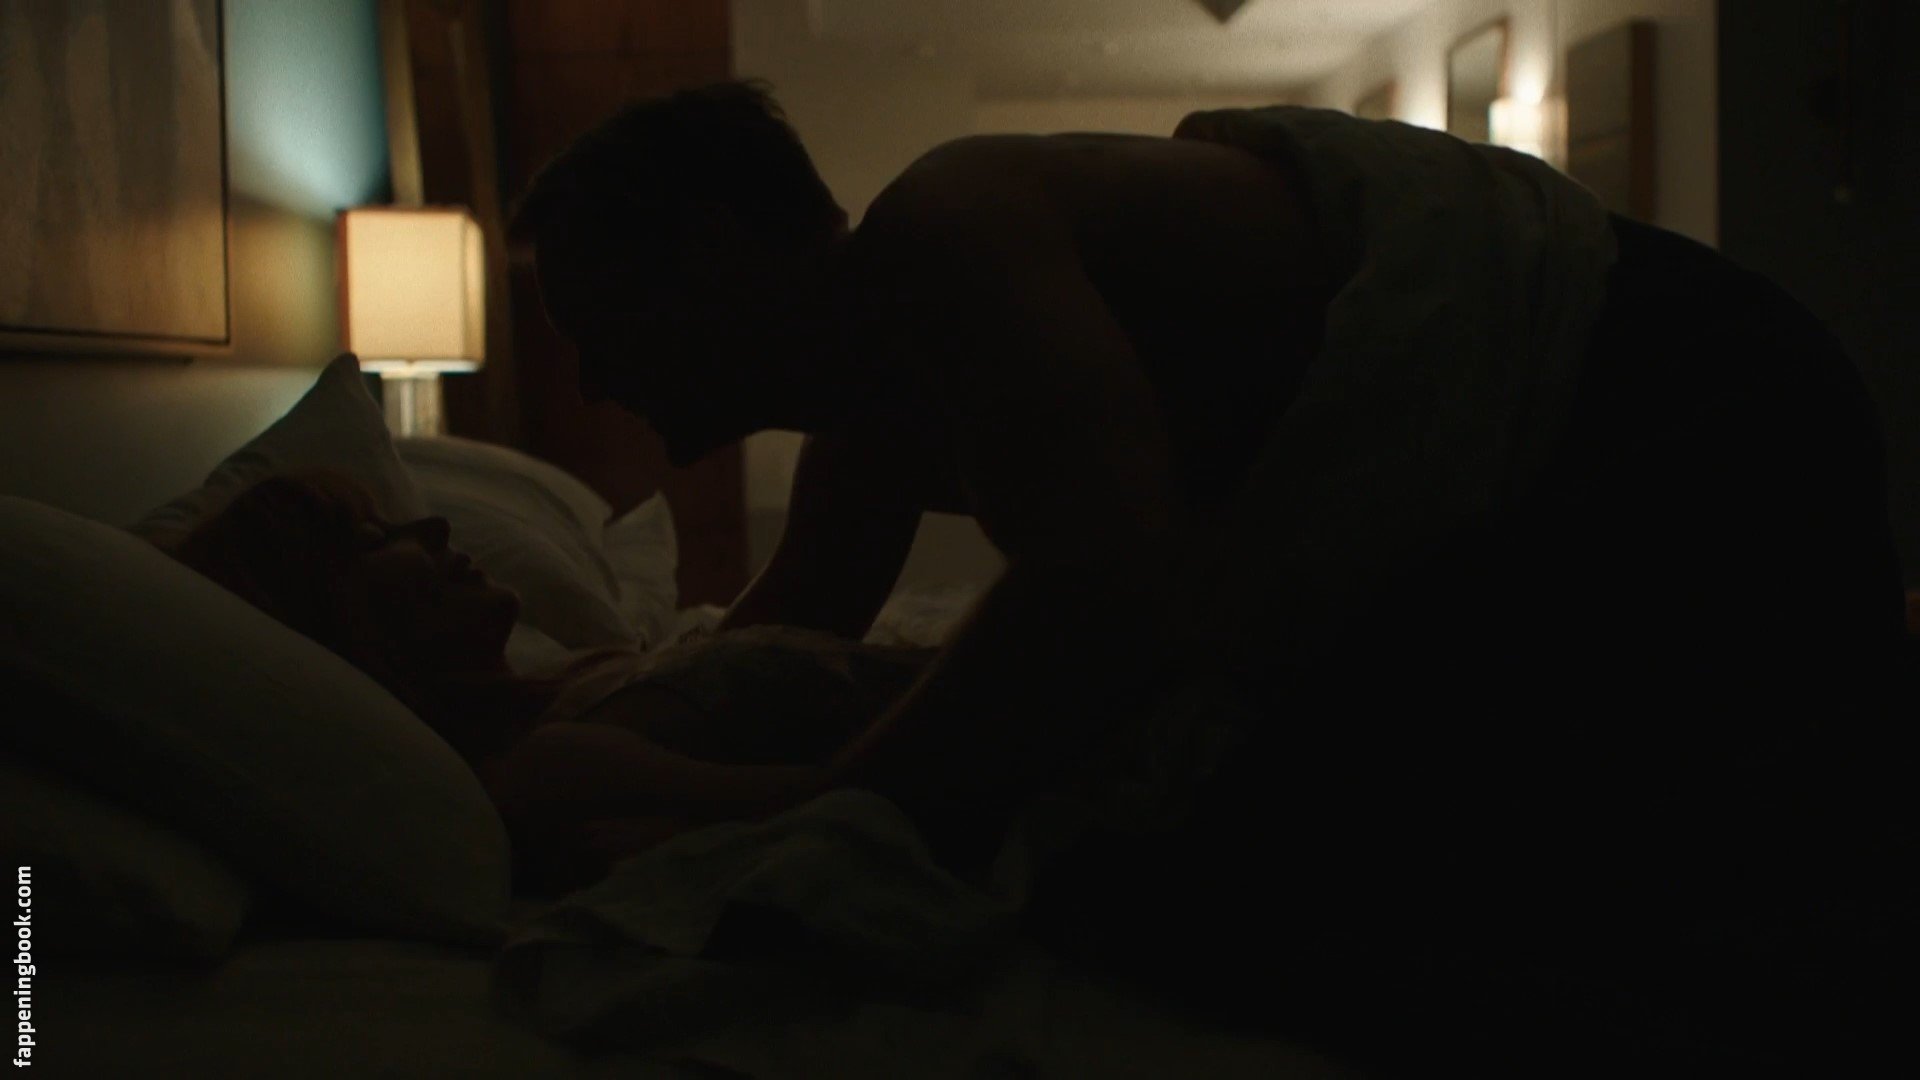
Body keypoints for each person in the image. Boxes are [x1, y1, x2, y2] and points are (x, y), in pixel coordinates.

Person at [509, 81, 1910, 1069]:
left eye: (595, 324)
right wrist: (557, 712)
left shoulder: (951, 229)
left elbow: (1105, 596)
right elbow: (778, 649)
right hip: (1568, 465)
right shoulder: (869, 427)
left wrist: (738, 799)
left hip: (1657, 398)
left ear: (709, 255)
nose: (590, 379)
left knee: (1682, 910)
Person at [171, 471, 932, 894]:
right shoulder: (548, 761)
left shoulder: (571, 686)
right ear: (341, 623)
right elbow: (867, 794)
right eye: (375, 539)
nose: (433, 529)